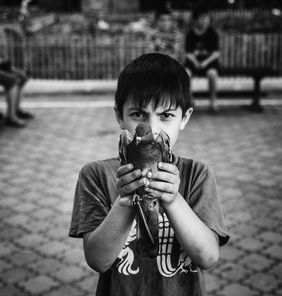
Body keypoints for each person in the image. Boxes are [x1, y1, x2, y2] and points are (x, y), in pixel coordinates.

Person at [69, 53, 229, 296]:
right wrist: (125, 202)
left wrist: (174, 200)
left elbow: (207, 257)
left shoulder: (197, 175)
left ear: (184, 118)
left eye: (166, 116)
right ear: (119, 116)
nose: (151, 130)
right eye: (139, 115)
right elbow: (98, 260)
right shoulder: (96, 175)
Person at [185, 8, 220, 113]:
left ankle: (213, 102)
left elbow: (216, 53)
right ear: (195, 20)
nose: (206, 21)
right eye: (203, 19)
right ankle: (189, 101)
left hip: (209, 63)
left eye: (207, 19)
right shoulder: (190, 34)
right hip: (193, 64)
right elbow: (188, 53)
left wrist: (205, 63)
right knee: (186, 73)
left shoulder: (212, 33)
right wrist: (196, 62)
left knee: (212, 74)